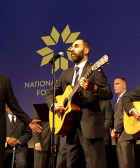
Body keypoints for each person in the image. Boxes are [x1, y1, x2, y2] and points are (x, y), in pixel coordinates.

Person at [46, 39, 113, 168]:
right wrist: (53, 105)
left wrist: (93, 88)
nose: (72, 49)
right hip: (70, 127)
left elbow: (108, 93)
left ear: (86, 50)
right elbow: (51, 93)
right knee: (71, 164)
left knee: (94, 164)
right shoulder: (66, 73)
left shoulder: (94, 70)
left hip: (90, 126)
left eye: (76, 46)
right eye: (71, 47)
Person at [111, 77, 136, 168]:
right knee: (121, 165)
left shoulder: (127, 97)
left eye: (117, 84)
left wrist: (116, 130)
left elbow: (124, 116)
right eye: (114, 84)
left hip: (126, 135)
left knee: (127, 164)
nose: (115, 86)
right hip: (119, 137)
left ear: (124, 86)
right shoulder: (116, 102)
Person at [100, 100, 114, 168]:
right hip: (91, 139)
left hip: (103, 139)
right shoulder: (89, 103)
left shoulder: (106, 103)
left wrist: (98, 132)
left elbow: (109, 121)